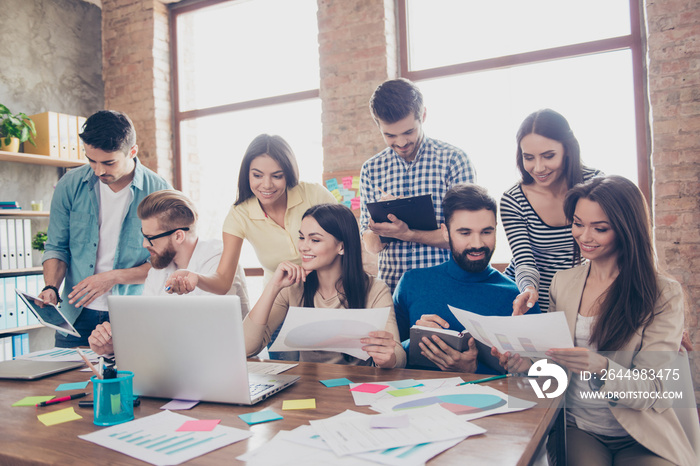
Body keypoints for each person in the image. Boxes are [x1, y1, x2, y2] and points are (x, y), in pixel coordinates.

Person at [495, 175, 699, 466]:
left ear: (626, 229)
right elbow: (556, 370)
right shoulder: (562, 284)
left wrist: (601, 366)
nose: (584, 237)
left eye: (599, 228)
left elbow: (653, 390)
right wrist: (528, 366)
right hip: (580, 428)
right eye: (578, 224)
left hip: (642, 433)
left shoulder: (663, 293)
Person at [39, 110, 171, 347]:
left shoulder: (159, 191)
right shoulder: (69, 185)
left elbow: (164, 264)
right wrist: (51, 287)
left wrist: (112, 277)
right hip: (75, 314)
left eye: (109, 162)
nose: (99, 171)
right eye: (91, 160)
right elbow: (57, 247)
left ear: (132, 151)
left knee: (133, 382)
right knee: (65, 383)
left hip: (132, 313)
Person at [394, 184, 539, 373]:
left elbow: (538, 381)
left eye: (486, 232)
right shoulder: (411, 284)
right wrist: (416, 342)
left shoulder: (518, 298)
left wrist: (473, 370)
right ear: (446, 232)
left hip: (490, 401)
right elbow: (388, 357)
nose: (477, 244)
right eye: (465, 233)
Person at [88, 190, 250, 355]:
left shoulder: (218, 259)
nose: (145, 244)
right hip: (179, 363)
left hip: (224, 359)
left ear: (179, 236)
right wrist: (114, 346)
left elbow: (208, 333)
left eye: (150, 237)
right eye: (143, 236)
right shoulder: (159, 268)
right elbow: (148, 328)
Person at [243, 203, 406, 368]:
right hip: (307, 387)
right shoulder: (292, 288)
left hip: (356, 387)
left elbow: (398, 355)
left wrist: (388, 358)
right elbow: (245, 348)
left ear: (341, 247)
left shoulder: (375, 290)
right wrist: (273, 287)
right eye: (301, 237)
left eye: (314, 240)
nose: (303, 247)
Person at [360, 78, 476, 292]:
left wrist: (408, 233)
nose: (401, 143)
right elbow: (370, 245)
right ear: (378, 126)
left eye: (408, 132)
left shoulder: (454, 161)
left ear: (422, 115)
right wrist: (379, 228)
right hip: (392, 291)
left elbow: (467, 237)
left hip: (446, 289)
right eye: (390, 135)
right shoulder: (371, 169)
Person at [500, 109, 601, 313]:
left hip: (576, 293)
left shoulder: (595, 184)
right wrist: (528, 289)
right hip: (527, 296)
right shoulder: (513, 200)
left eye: (548, 156)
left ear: (568, 150)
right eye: (529, 157)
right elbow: (524, 260)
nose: (538, 168)